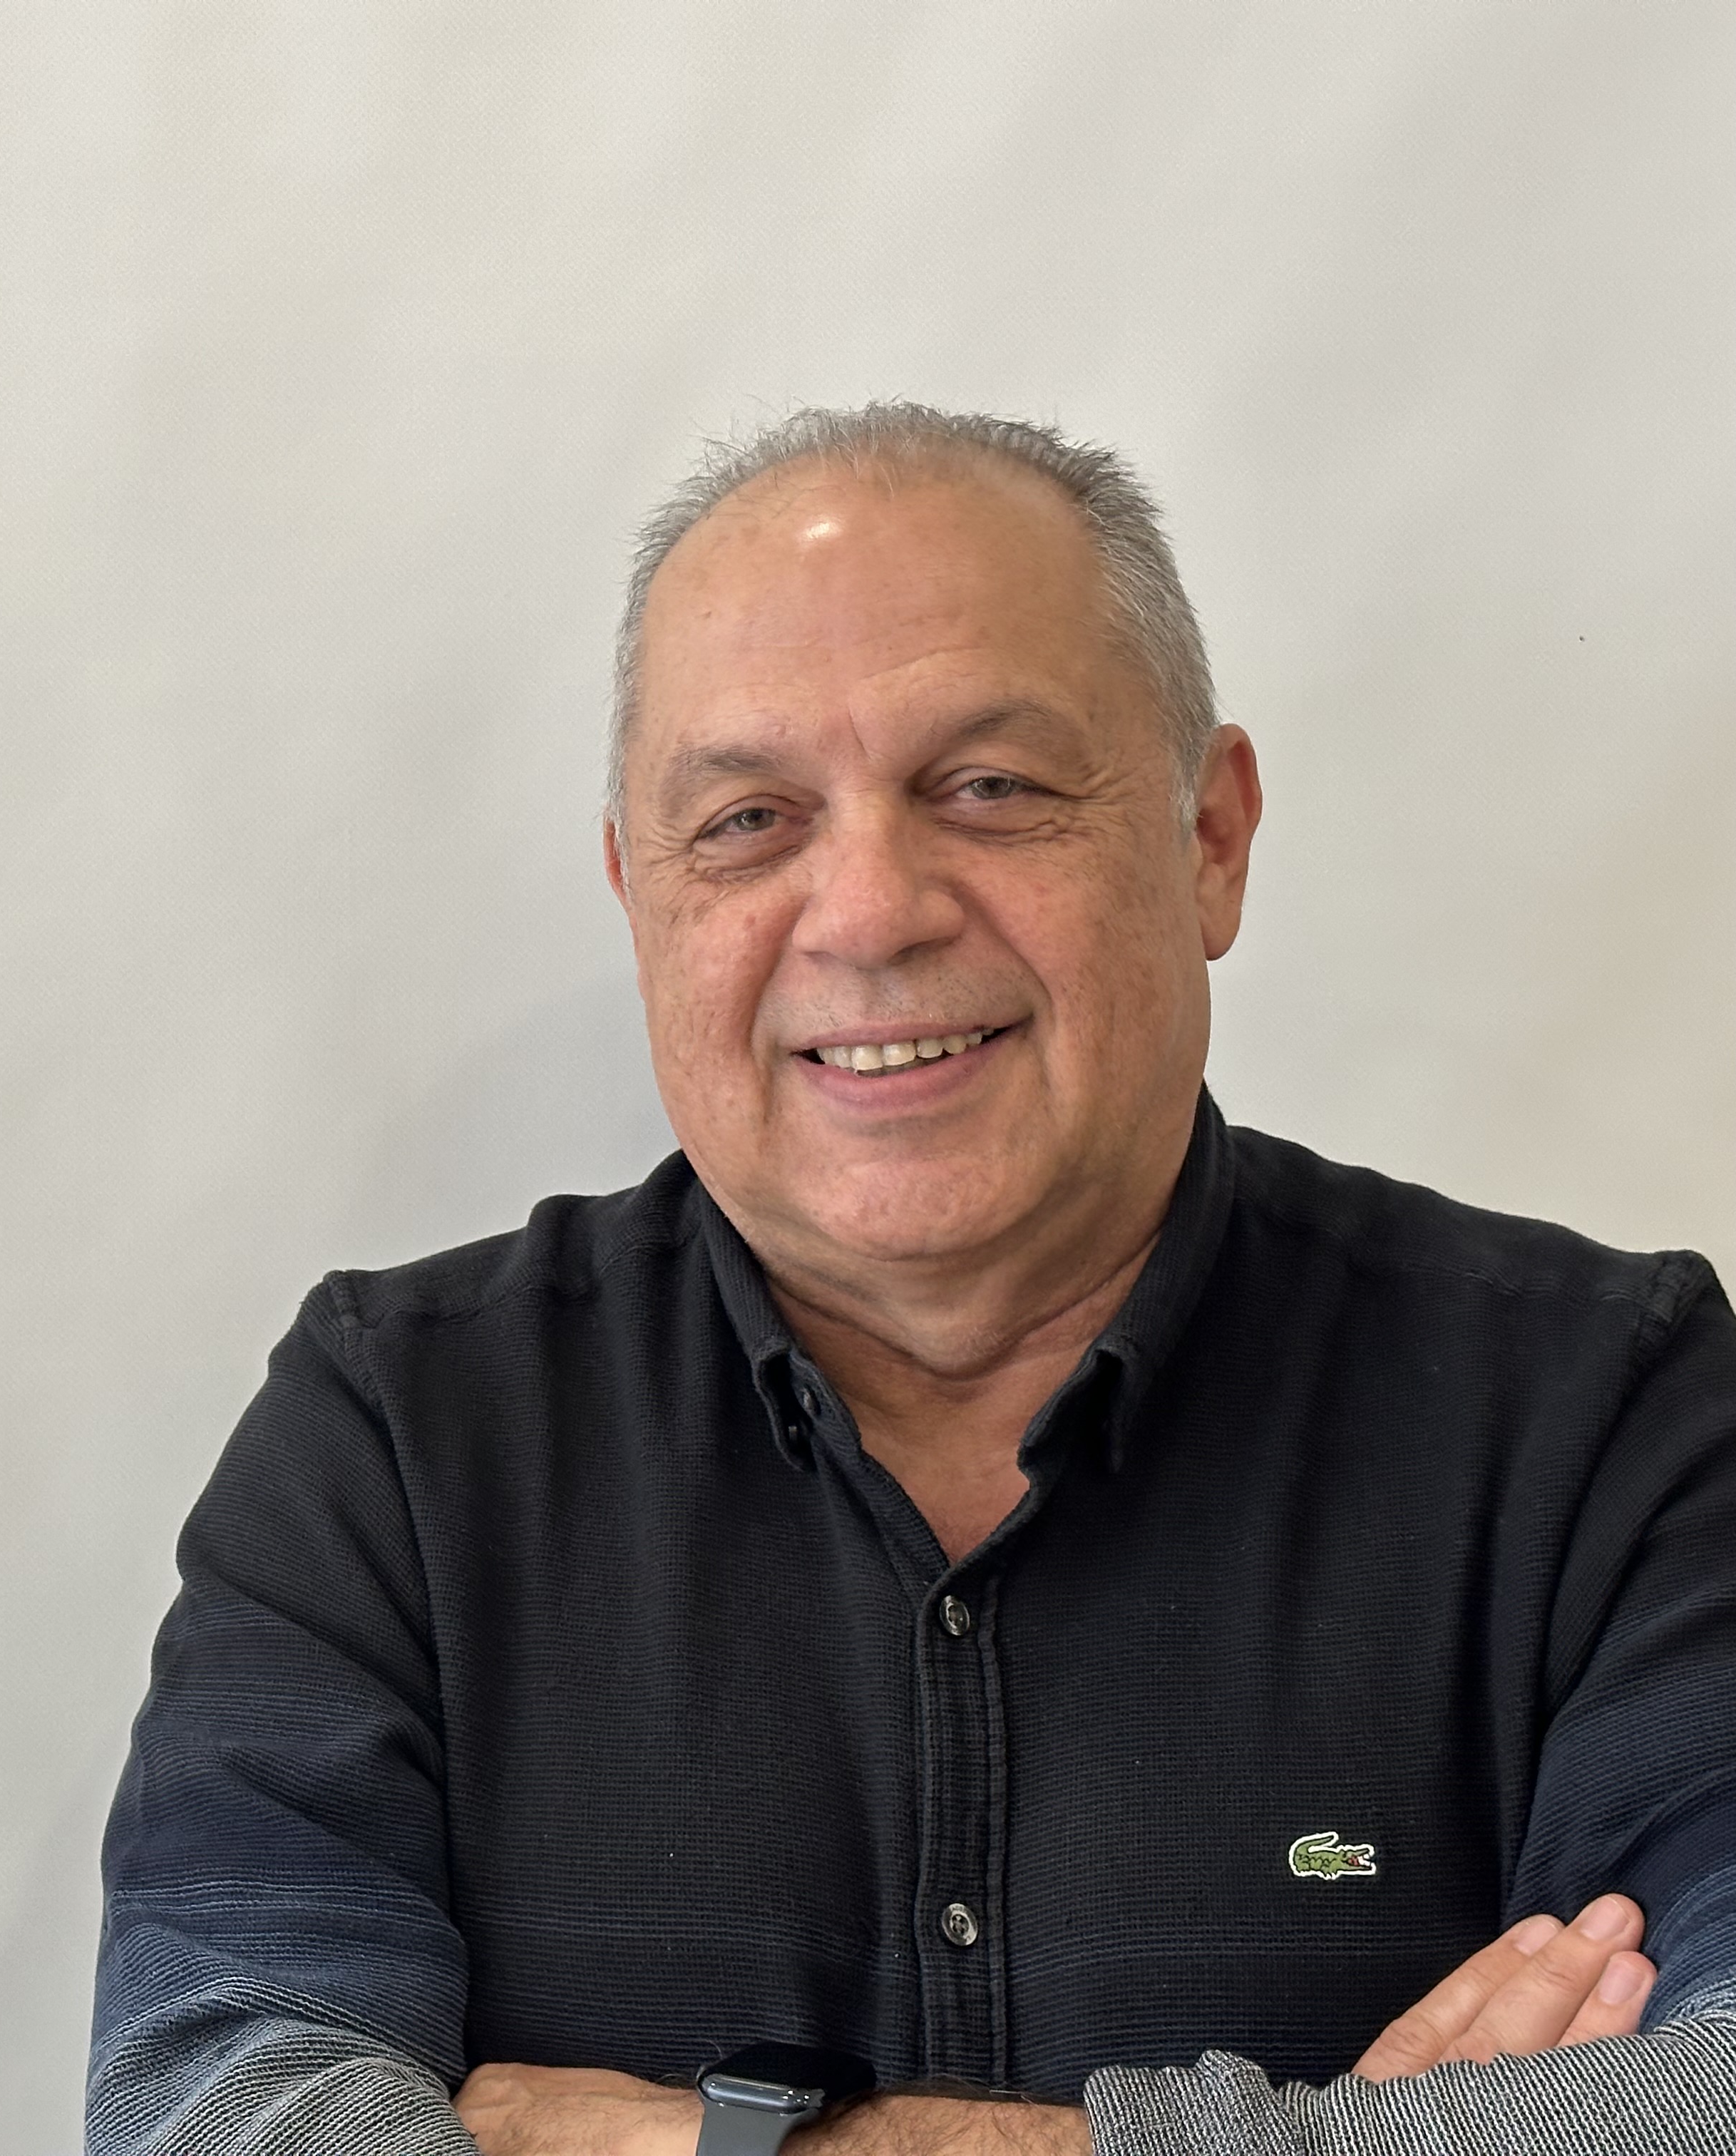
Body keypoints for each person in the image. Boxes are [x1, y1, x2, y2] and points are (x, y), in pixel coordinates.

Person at [86, 405, 1736, 2155]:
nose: (870, 910)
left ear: (1210, 839)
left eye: (990, 788)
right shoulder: (399, 1444)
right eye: (749, 820)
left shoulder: (1604, 1418)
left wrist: (730, 2149)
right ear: (637, 892)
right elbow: (213, 2109)